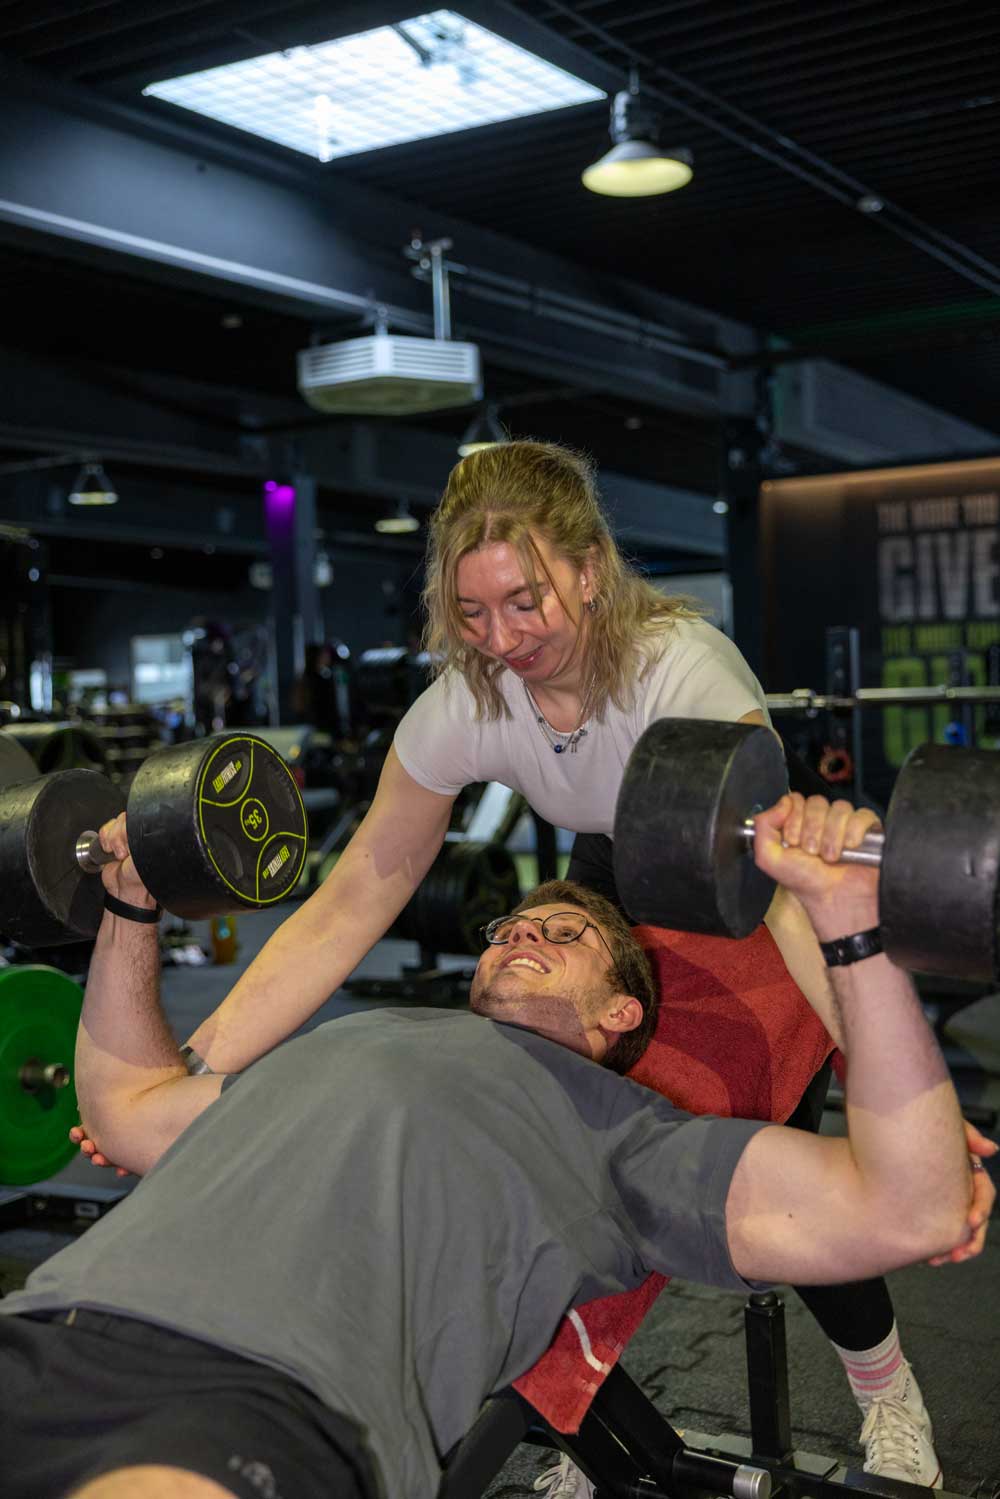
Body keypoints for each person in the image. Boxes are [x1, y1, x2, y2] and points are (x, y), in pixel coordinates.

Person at [70, 441, 979, 1484]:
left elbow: (779, 905)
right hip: (610, 872)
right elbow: (353, 898)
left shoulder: (683, 671)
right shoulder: (468, 701)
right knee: (549, 1134)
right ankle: (582, 1411)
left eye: (524, 600)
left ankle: (883, 1385)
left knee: (780, 1160)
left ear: (588, 570)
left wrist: (902, 1095)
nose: (501, 638)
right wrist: (190, 1064)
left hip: (745, 875)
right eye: (472, 611)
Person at [6, 792, 991, 1499]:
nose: (520, 934)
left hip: (256, 1395)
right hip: (48, 1321)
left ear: (620, 1011)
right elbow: (130, 1107)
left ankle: (882, 1388)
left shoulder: (621, 1136)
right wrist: (129, 902)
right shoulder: (353, 1036)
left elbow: (911, 1204)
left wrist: (847, 925)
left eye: (562, 935)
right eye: (510, 926)